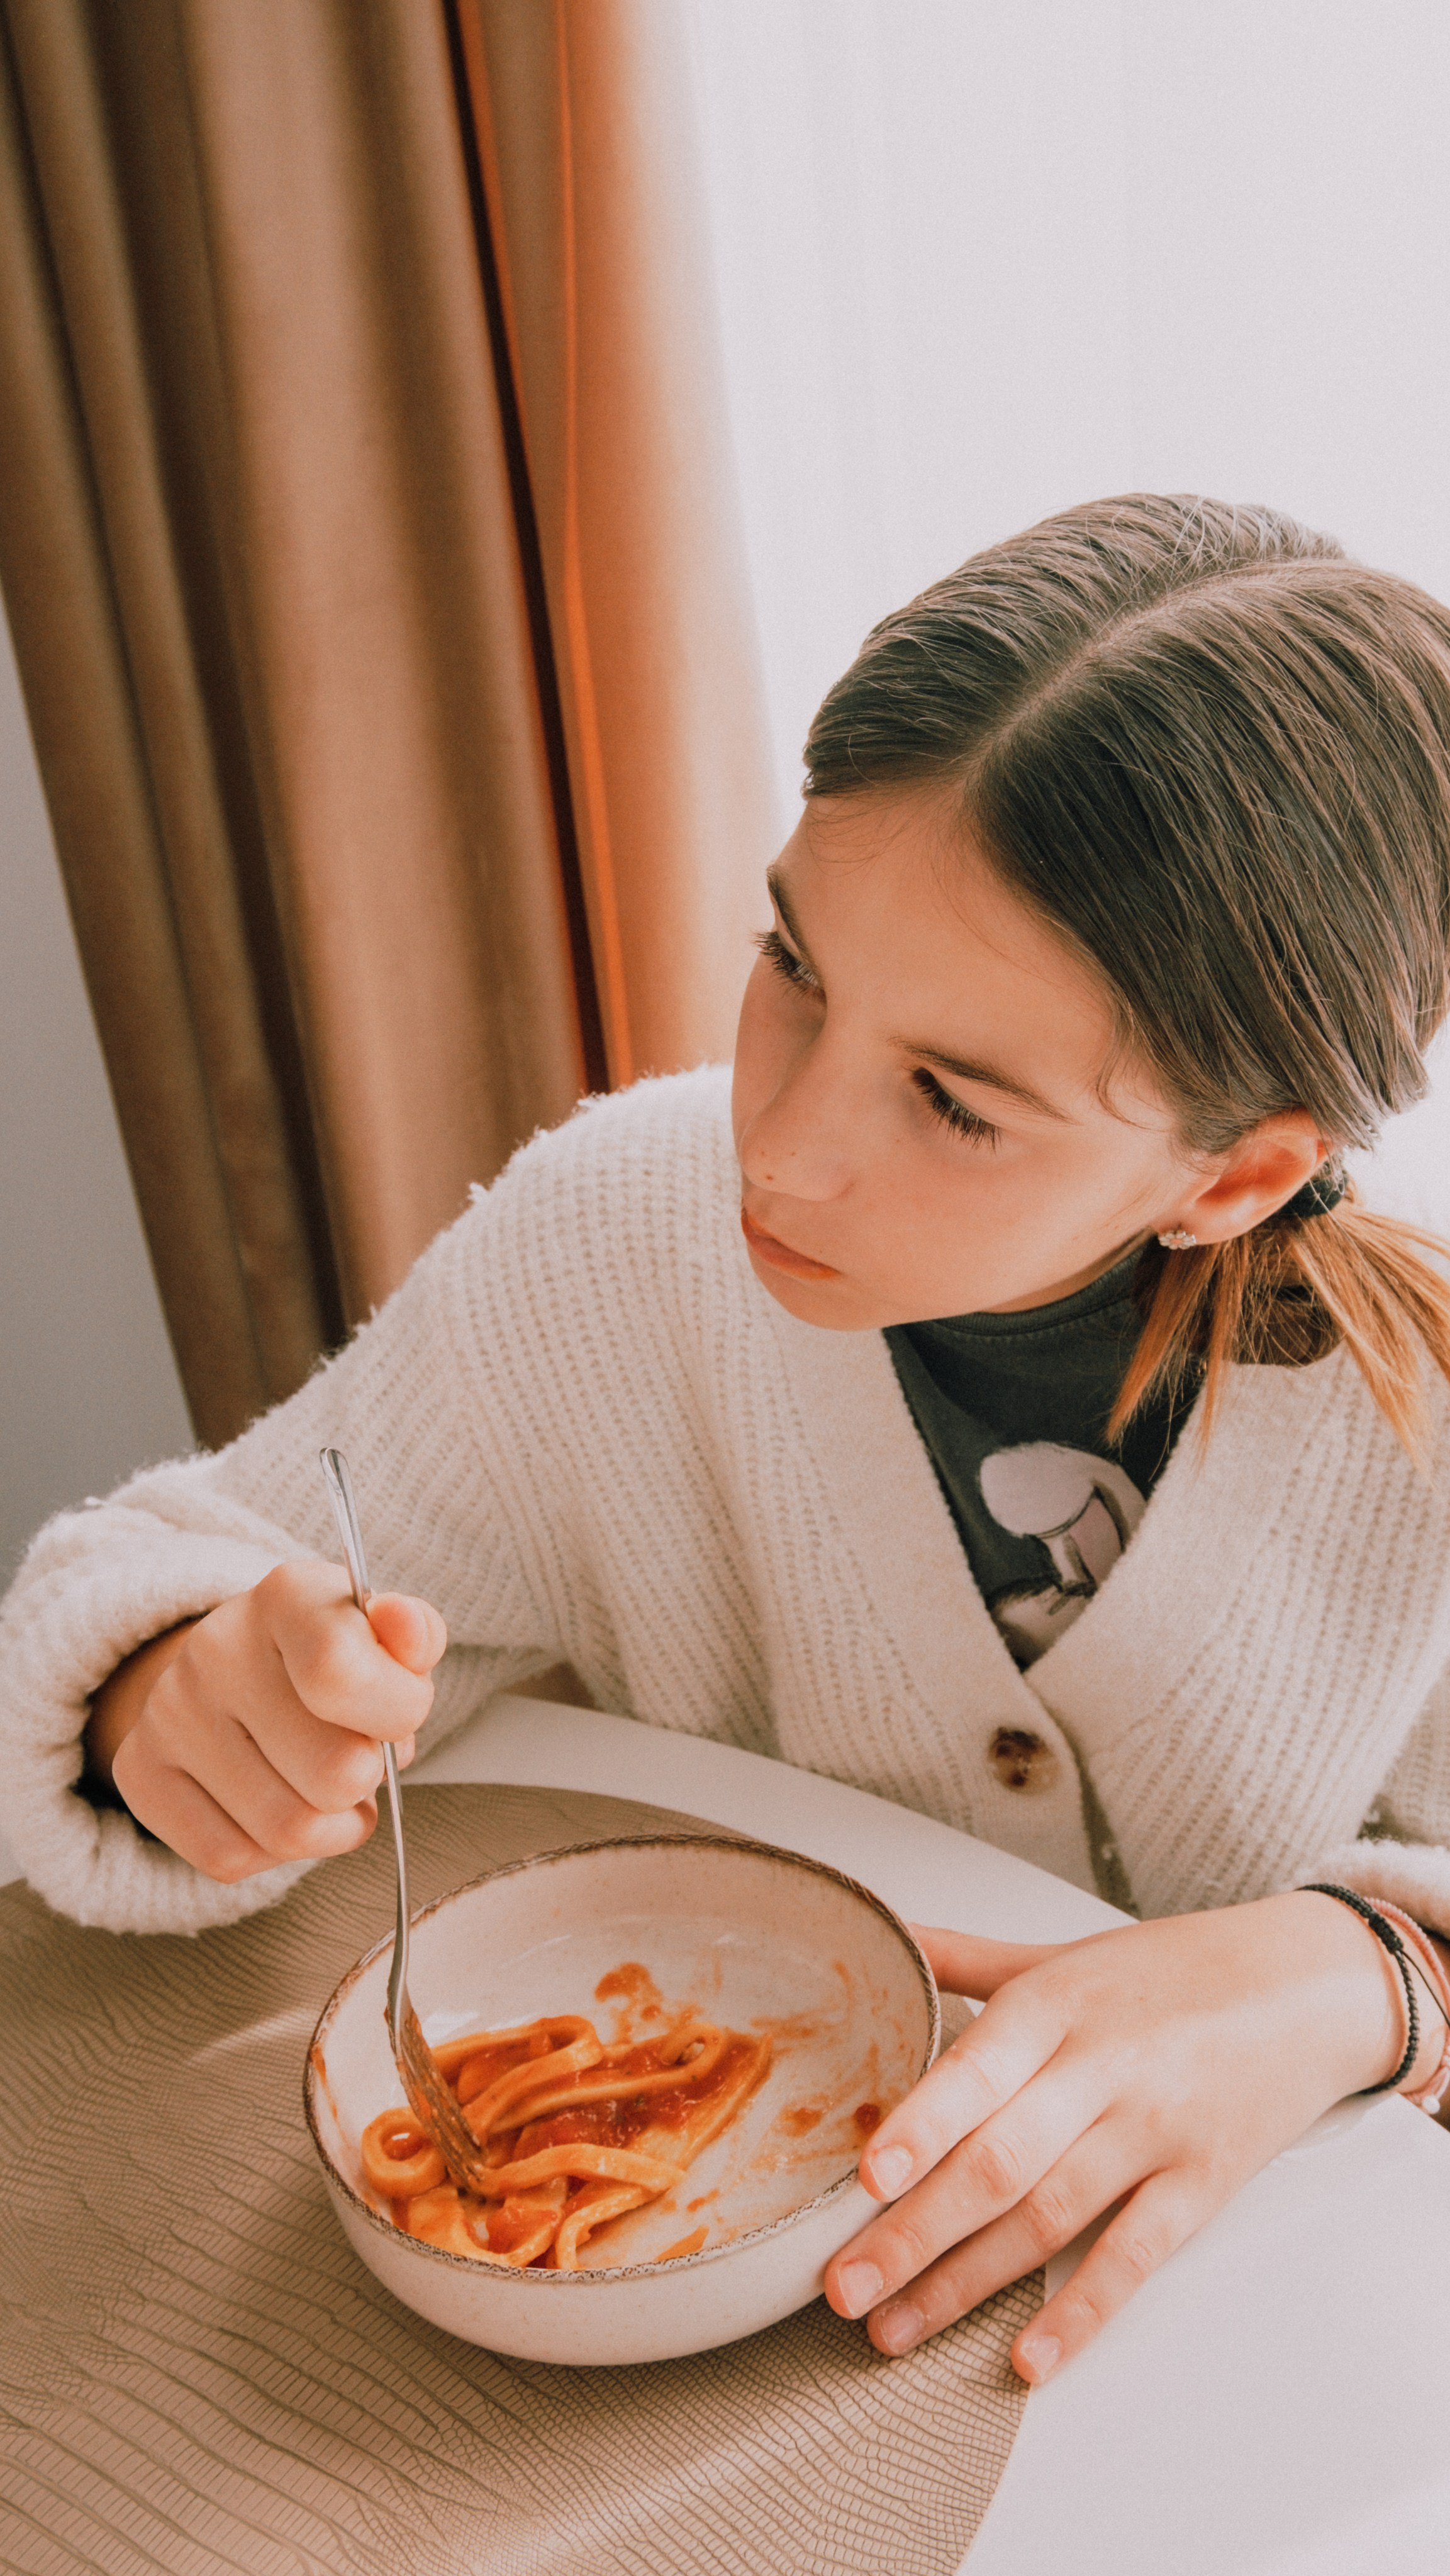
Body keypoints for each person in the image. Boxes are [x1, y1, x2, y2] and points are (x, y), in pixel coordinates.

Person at [6, 492, 1450, 2390]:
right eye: (794, 967)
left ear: (1231, 1172)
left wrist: (1360, 1979)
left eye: (948, 1097)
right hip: (634, 2347)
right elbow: (155, 1569)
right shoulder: (611, 1236)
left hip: (1210, 2374)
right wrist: (170, 1697)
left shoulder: (1406, 1428)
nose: (777, 1140)